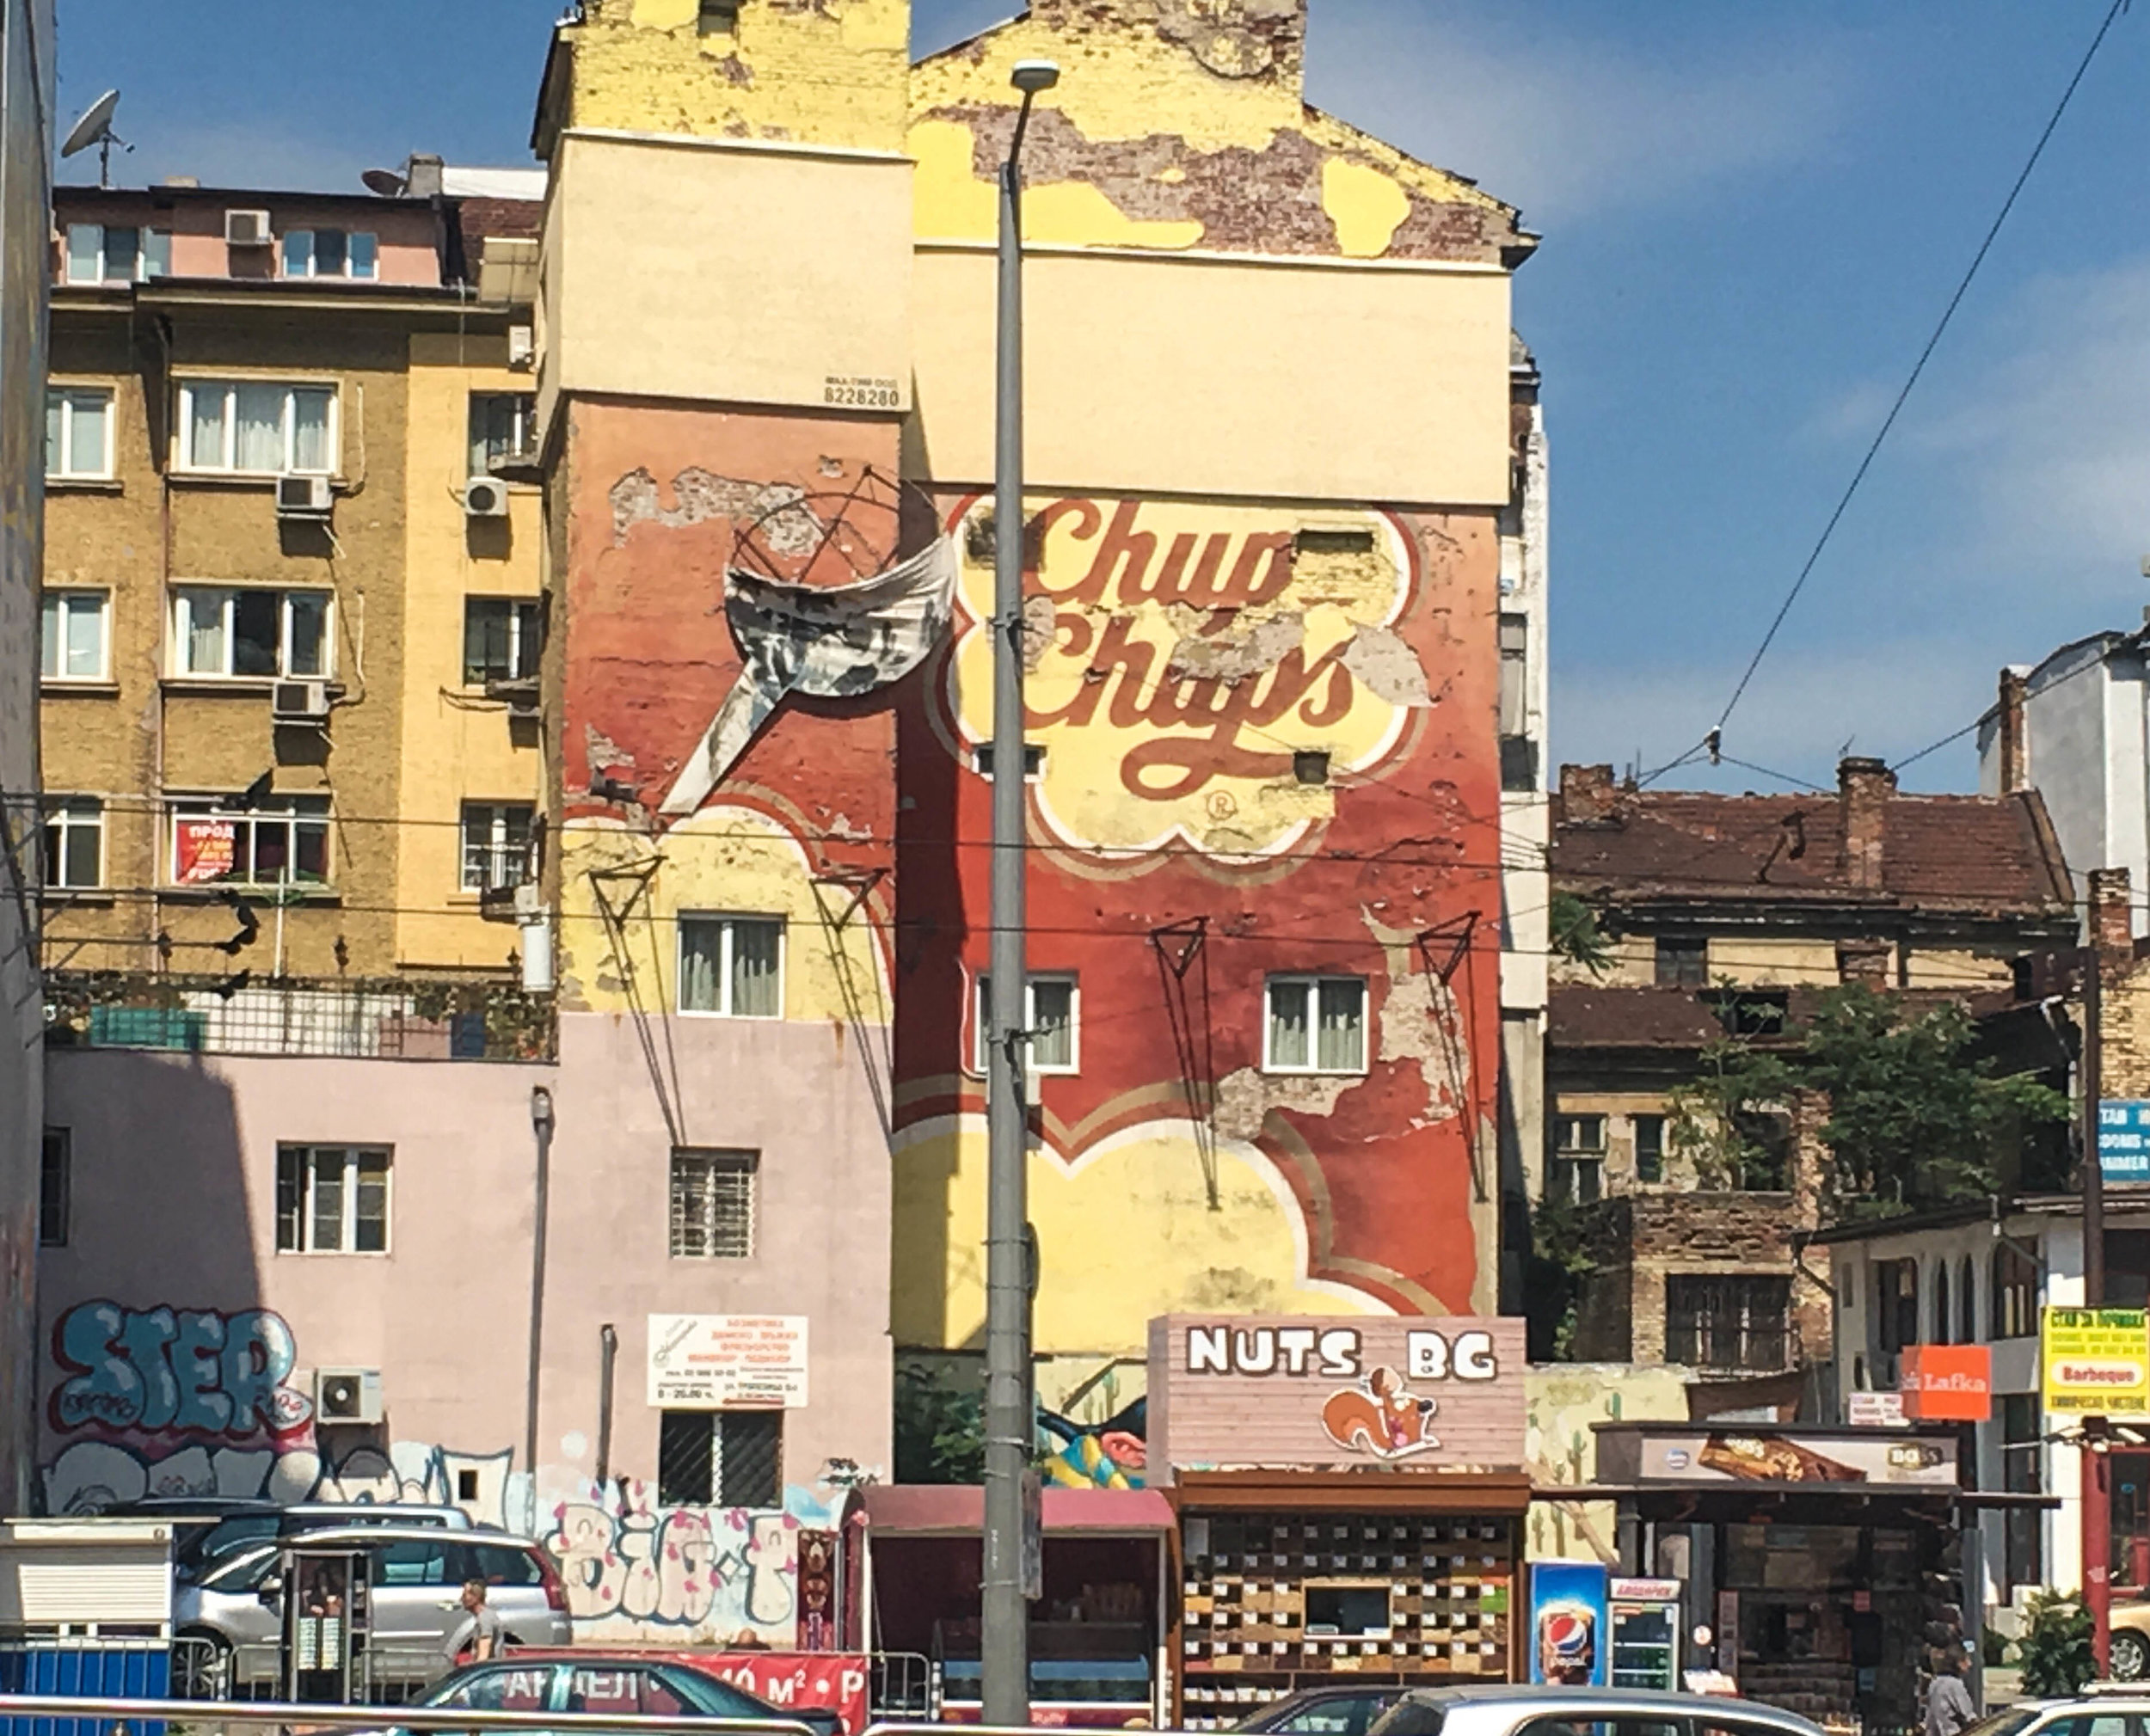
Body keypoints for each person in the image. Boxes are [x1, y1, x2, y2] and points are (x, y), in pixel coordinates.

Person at [447, 1580, 501, 1667]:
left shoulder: (485, 1619)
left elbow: (484, 1654)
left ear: (476, 1597)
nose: (461, 1599)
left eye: (465, 1595)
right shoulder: (486, 1616)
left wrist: (476, 1671)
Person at [1925, 1644, 1976, 1736]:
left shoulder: (1935, 1683)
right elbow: (1969, 1717)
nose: (1969, 1664)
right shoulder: (1954, 1684)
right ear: (1956, 1663)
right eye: (1965, 1660)